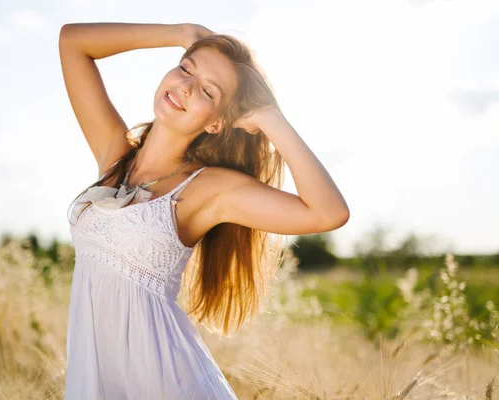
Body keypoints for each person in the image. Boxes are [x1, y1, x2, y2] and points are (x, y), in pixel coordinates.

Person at [59, 22, 349, 399]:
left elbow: (328, 213)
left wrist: (270, 118)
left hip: (167, 384)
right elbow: (72, 43)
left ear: (217, 123)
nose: (185, 86)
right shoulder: (116, 157)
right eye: (186, 68)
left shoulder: (207, 189)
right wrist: (181, 33)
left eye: (207, 91)